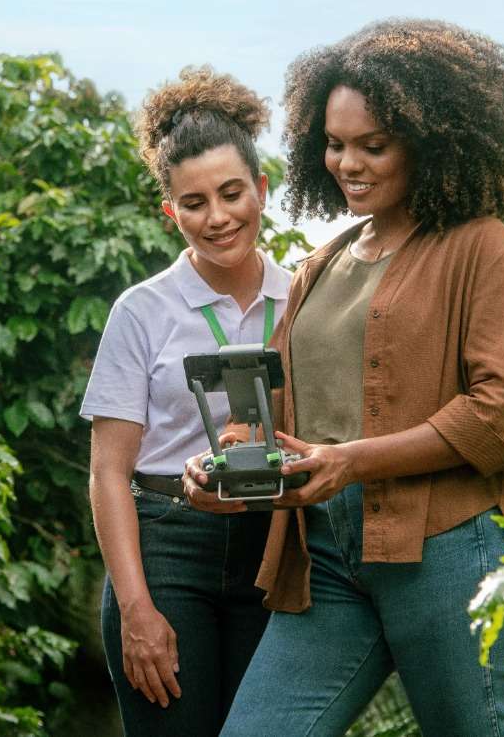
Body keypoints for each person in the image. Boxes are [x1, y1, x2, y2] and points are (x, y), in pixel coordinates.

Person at [186, 19, 504, 737]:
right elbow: (274, 400)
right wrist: (227, 462)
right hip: (326, 561)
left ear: (430, 143)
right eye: (336, 143)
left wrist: (351, 463)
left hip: (448, 551)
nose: (349, 162)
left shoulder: (483, 248)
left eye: (373, 146)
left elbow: (499, 417)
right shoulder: (325, 263)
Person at [81, 67, 295, 736]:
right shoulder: (141, 311)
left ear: (261, 190)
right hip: (167, 546)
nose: (218, 216)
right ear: (171, 213)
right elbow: (107, 472)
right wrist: (138, 610)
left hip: (275, 544)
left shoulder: (304, 299)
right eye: (194, 203)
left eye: (232, 193)